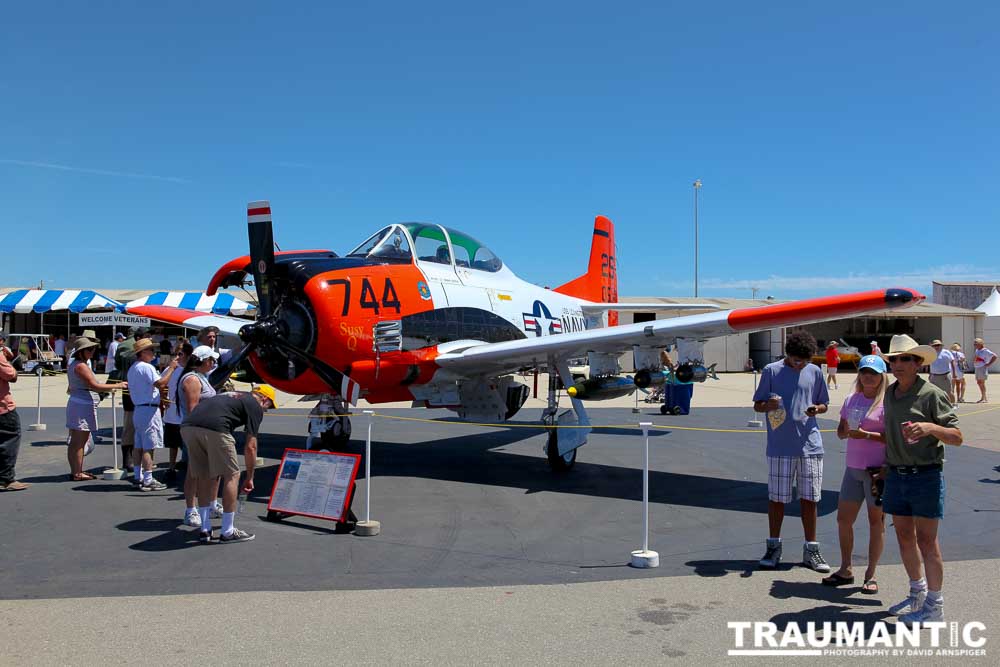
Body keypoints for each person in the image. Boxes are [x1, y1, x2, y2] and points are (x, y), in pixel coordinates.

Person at [879, 334, 962, 624]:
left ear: (917, 364)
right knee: (904, 537)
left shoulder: (931, 394)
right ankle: (917, 592)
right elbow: (889, 435)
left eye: (905, 359)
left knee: (927, 541)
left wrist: (929, 427)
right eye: (894, 360)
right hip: (897, 474)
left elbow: (957, 437)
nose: (898, 364)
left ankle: (935, 605)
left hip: (925, 474)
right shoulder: (890, 393)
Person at [752, 331, 831, 572]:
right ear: (788, 354)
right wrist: (769, 405)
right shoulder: (771, 371)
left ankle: (812, 550)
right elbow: (758, 404)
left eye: (804, 361)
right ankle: (774, 546)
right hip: (780, 446)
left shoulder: (815, 372)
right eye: (796, 360)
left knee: (810, 498)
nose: (800, 365)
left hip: (811, 445)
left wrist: (815, 409)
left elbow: (824, 404)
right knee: (777, 498)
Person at [823, 355, 888, 593]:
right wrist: (845, 431)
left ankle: (871, 574)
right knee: (843, 520)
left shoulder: (887, 403)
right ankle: (846, 568)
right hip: (853, 469)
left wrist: (867, 435)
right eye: (864, 372)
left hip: (876, 472)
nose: (868, 376)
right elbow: (841, 431)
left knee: (875, 523)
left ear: (882, 376)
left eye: (873, 372)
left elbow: (894, 440)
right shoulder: (852, 398)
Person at [181, 385, 276, 544]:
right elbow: (250, 446)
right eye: (269, 406)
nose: (266, 410)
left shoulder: (230, 395)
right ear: (264, 398)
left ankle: (205, 529)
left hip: (188, 427)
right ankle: (227, 530)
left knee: (204, 475)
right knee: (232, 474)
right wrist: (250, 476)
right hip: (215, 429)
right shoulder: (255, 405)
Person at [174, 344, 222, 526]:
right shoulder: (192, 380)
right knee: (194, 472)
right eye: (211, 359)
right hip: (197, 431)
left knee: (213, 471)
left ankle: (211, 504)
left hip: (207, 430)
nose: (213, 363)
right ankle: (190, 509)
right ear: (203, 361)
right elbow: (193, 409)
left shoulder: (201, 377)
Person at [65, 338, 127, 481]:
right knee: (80, 441)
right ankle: (77, 472)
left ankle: (76, 471)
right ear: (82, 351)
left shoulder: (75, 364)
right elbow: (95, 385)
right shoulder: (80, 366)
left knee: (75, 442)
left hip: (78, 402)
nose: (93, 352)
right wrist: (117, 385)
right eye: (90, 349)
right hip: (82, 404)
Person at [127, 338, 177, 491]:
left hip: (140, 408)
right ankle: (148, 478)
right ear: (142, 353)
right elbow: (161, 383)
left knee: (139, 444)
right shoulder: (146, 367)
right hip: (148, 409)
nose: (153, 353)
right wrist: (171, 368)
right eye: (150, 350)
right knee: (149, 446)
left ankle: (138, 475)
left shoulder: (133, 368)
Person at [163, 342, 194, 482]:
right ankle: (171, 467)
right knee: (173, 444)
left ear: (187, 355)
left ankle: (191, 468)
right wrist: (163, 399)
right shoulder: (171, 369)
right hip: (172, 414)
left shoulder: (190, 372)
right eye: (175, 353)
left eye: (180, 353)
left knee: (188, 444)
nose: (176, 357)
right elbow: (161, 383)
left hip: (185, 415)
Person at [113, 328, 142, 470]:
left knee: (129, 425)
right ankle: (130, 461)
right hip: (134, 391)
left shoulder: (123, 346)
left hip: (128, 390)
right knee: (133, 426)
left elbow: (117, 364)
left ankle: (129, 460)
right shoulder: (134, 351)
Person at [0, 349, 28, 491]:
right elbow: (12, 376)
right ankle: (6, 479)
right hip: (3, 407)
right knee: (9, 439)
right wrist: (11, 363)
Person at [927, 340, 956, 404]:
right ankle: (938, 404)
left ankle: (953, 404)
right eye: (934, 345)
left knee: (948, 391)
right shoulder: (931, 353)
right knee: (933, 391)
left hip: (945, 375)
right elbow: (931, 364)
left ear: (941, 346)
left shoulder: (946, 352)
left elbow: (952, 361)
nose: (936, 347)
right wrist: (930, 374)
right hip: (934, 375)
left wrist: (954, 373)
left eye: (938, 345)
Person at [973, 338, 997, 403]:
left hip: (982, 368)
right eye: (974, 343)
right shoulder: (977, 350)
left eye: (976, 343)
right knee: (979, 382)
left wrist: (988, 364)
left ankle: (983, 398)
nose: (975, 345)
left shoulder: (985, 350)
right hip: (977, 367)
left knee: (982, 383)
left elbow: (995, 356)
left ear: (981, 344)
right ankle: (984, 397)